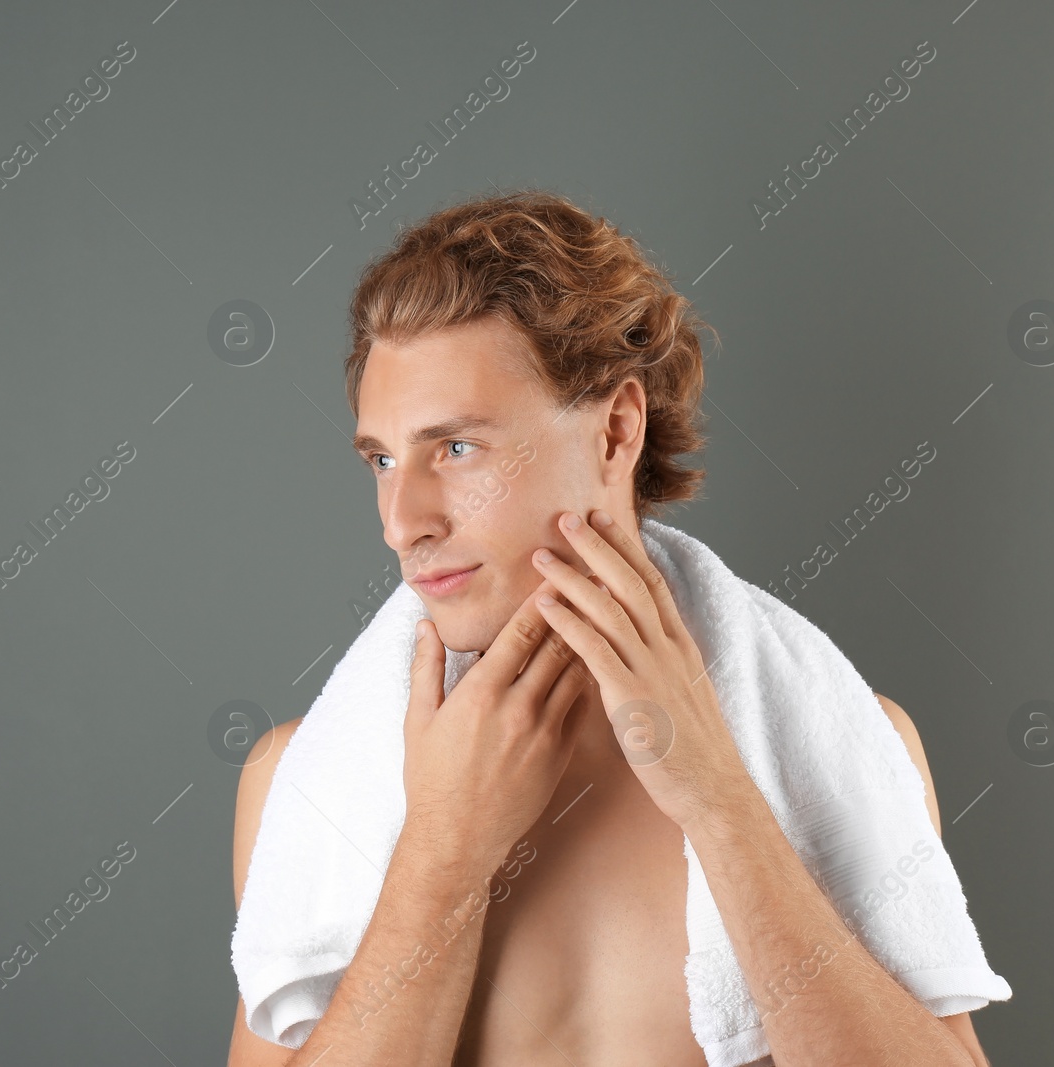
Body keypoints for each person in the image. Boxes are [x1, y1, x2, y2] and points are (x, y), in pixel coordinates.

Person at [228, 190, 994, 1065]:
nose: (403, 521)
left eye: (457, 448)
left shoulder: (853, 746)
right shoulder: (304, 779)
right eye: (383, 459)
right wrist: (444, 849)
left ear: (617, 430)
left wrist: (720, 799)